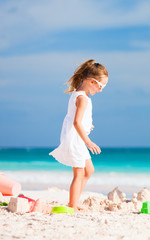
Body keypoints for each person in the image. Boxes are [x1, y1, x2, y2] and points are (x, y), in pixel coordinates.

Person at [50, 59, 108, 211]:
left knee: (89, 171)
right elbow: (76, 123)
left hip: (78, 137)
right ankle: (72, 205)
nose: (101, 90)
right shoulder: (82, 98)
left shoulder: (81, 95)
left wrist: (88, 125)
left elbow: (77, 119)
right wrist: (89, 141)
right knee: (79, 173)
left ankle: (75, 201)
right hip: (75, 139)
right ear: (91, 81)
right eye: (101, 86)